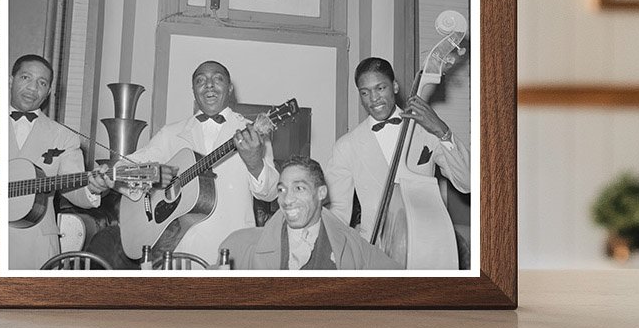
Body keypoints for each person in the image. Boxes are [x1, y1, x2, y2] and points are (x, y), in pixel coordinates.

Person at [90, 60, 279, 262]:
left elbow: (270, 193)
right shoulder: (171, 134)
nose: (209, 85)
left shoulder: (252, 133)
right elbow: (129, 164)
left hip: (234, 251)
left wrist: (254, 162)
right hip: (178, 251)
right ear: (193, 91)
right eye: (201, 80)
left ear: (230, 89)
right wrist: (115, 176)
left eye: (218, 79)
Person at [325, 56, 470, 269]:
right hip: (374, 252)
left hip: (427, 248)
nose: (373, 99)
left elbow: (466, 181)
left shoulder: (426, 130)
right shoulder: (346, 146)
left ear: (394, 86)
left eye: (380, 88)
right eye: (365, 92)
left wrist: (441, 130)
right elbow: (337, 211)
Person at [6, 53, 104, 269]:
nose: (33, 88)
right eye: (26, 78)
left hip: (35, 243)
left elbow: (73, 188)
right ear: (11, 80)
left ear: (49, 91)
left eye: (42, 83)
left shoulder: (63, 136)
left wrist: (94, 188)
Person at [219, 157, 399, 270]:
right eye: (282, 190)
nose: (287, 200)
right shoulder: (239, 246)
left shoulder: (352, 245)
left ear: (321, 193)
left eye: (299, 188)